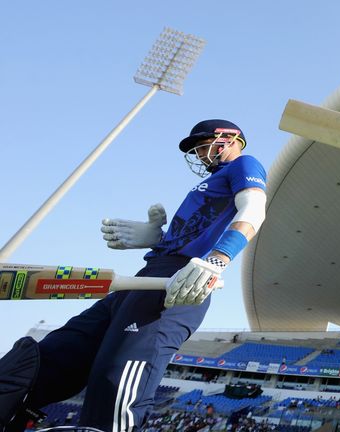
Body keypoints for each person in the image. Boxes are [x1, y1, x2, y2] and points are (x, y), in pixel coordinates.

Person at [0, 119, 267, 432]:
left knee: (115, 377)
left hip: (179, 284)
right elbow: (197, 229)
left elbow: (254, 209)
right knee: (53, 355)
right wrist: (158, 238)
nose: (198, 154)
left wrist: (218, 259)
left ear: (228, 139)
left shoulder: (245, 164)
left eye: (202, 145)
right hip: (147, 277)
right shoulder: (213, 180)